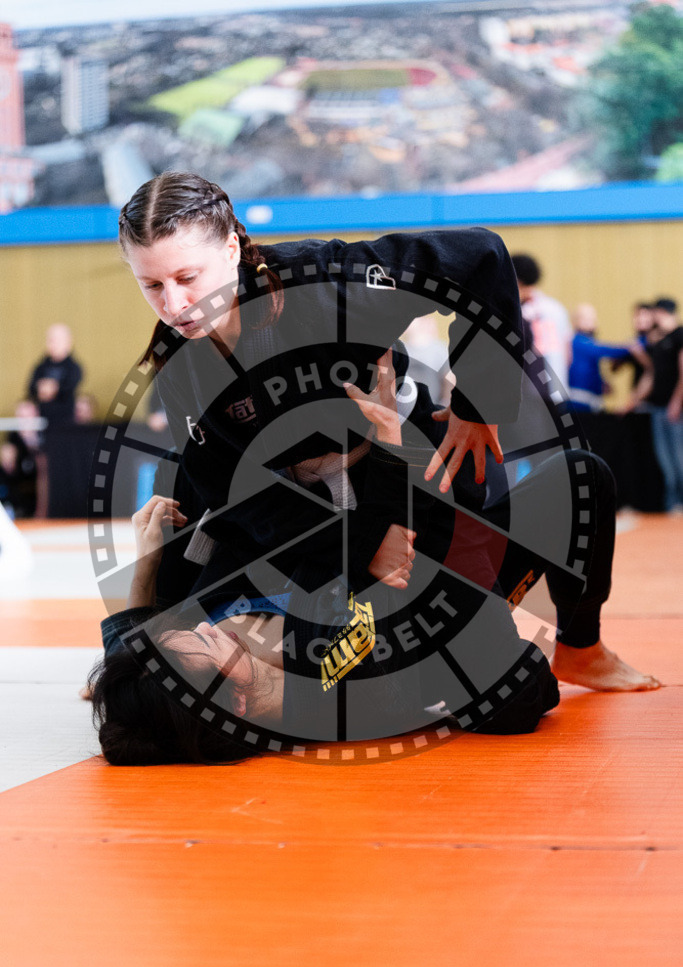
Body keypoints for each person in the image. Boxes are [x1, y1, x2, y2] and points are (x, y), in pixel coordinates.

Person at [89, 352, 659, 766]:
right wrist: (393, 447)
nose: (206, 629)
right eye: (208, 645)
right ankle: (579, 647)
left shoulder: (182, 672)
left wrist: (143, 568)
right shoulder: (345, 670)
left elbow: (129, 658)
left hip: (350, 519)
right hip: (440, 558)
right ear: (237, 698)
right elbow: (515, 691)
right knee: (583, 479)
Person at [624, 297, 683, 513]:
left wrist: (676, 403)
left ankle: (679, 500)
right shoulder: (658, 339)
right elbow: (652, 374)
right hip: (658, 406)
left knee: (678, 456)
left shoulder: (679, 336)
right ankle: (672, 503)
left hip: (674, 407)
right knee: (665, 459)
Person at [511, 253, 572, 390]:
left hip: (529, 386)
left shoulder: (519, 311)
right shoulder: (556, 308)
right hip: (557, 384)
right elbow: (568, 354)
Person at [27, 323, 83, 425]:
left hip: (64, 420)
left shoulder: (73, 367)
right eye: (50, 340)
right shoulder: (41, 366)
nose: (53, 344)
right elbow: (31, 388)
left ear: (68, 342)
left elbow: (69, 387)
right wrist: (41, 388)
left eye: (57, 340)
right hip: (42, 419)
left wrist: (53, 388)